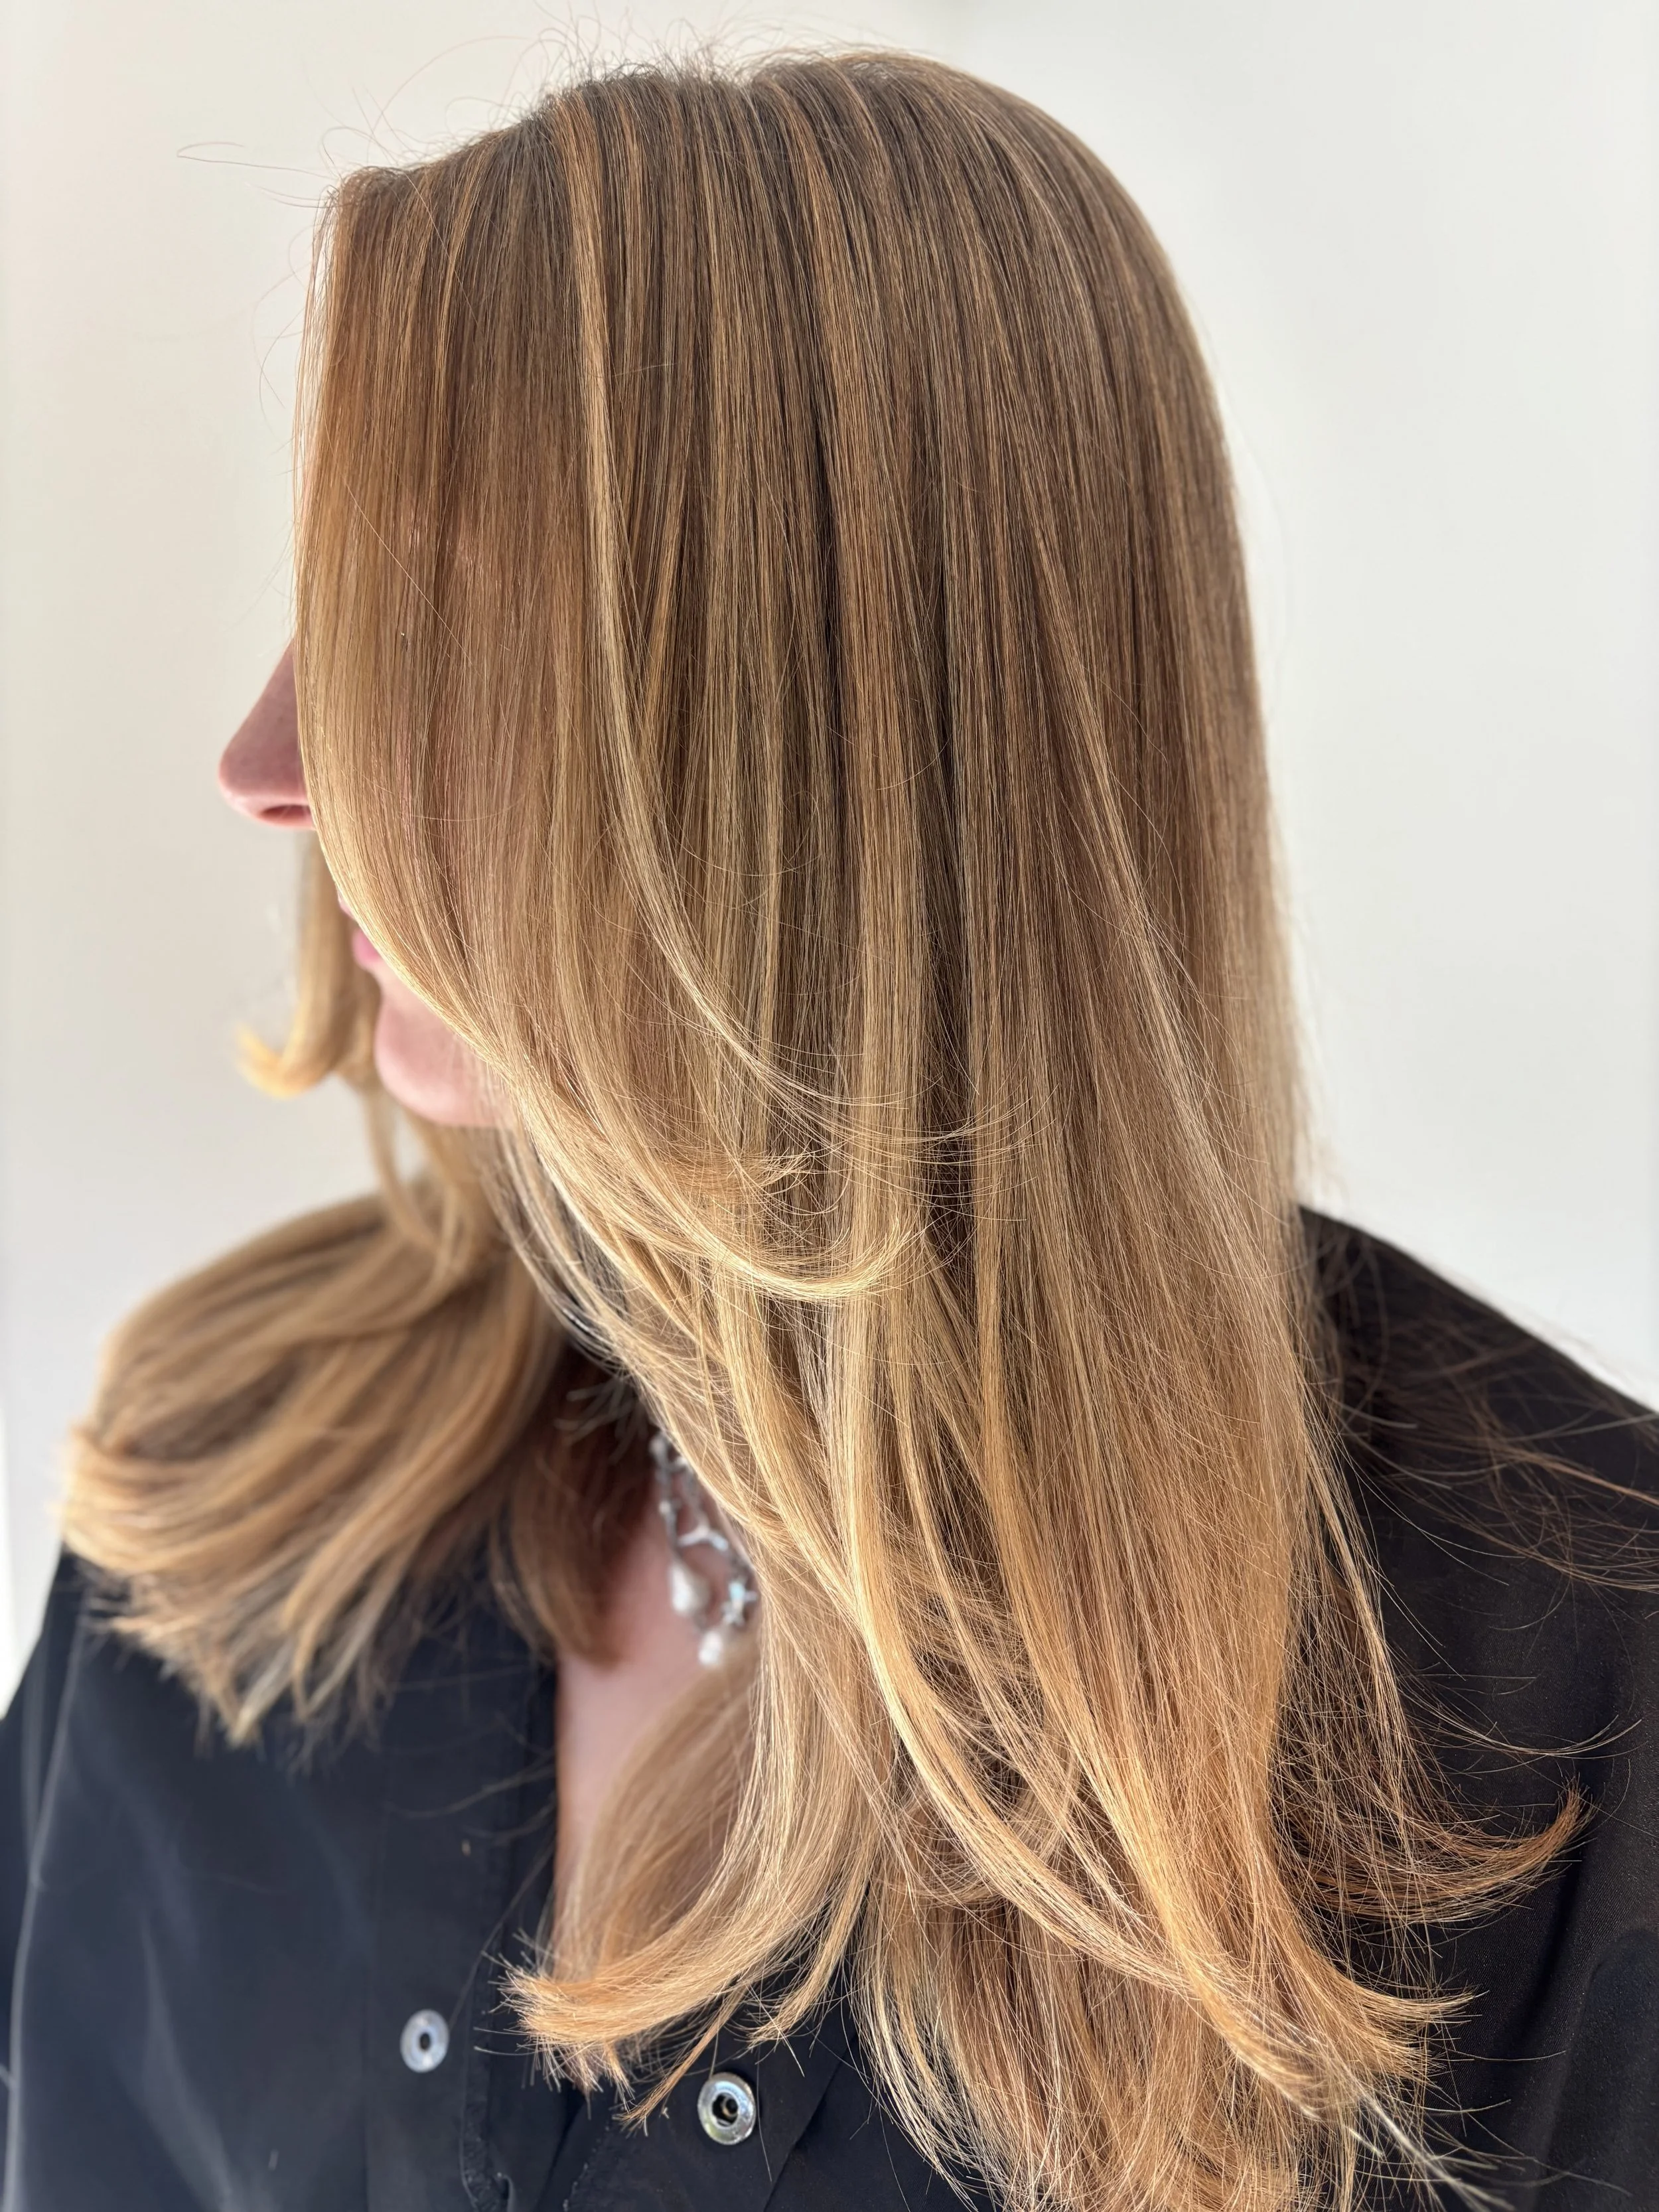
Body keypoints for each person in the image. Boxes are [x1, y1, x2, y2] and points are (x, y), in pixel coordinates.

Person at [1, 47, 1656, 2212]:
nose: (267, 761)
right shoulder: (215, 1515)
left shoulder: (1553, 1697)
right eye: (336, 608)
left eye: (442, 631)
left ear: (837, 739)